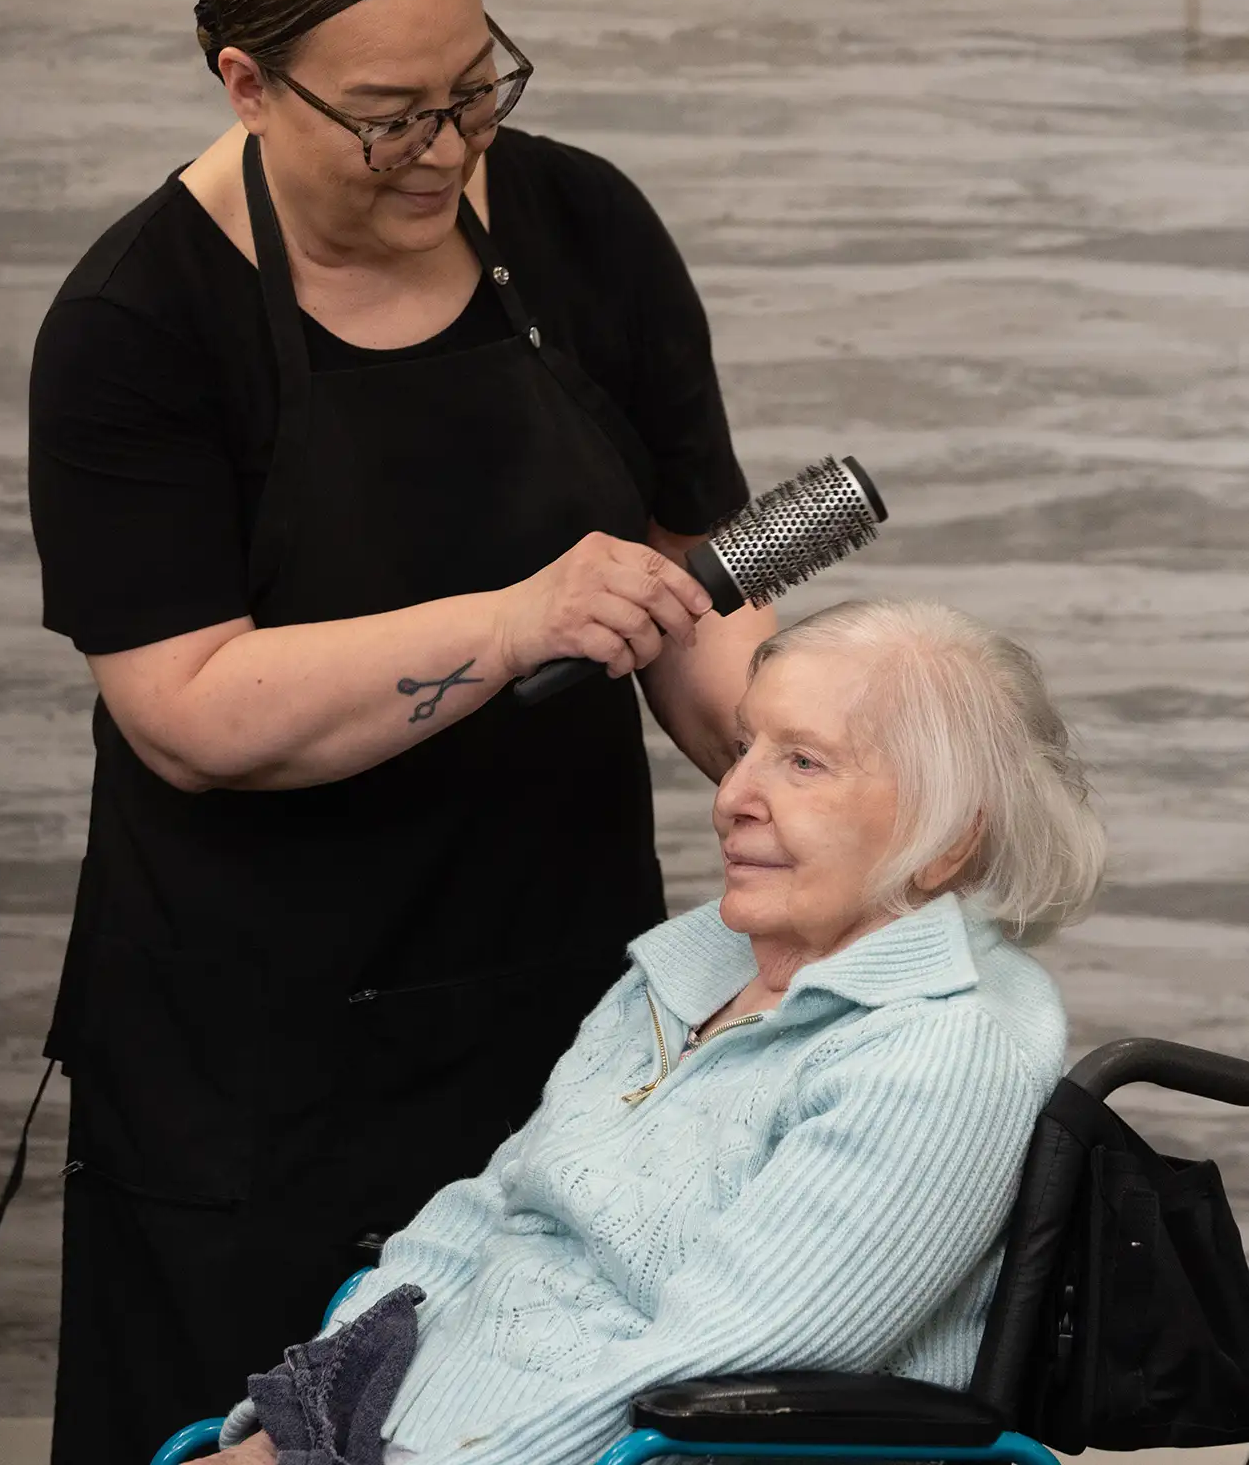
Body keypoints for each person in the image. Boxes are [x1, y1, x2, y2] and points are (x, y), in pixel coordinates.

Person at [26, 0, 775, 1465]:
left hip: (557, 1006)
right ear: (247, 81)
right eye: (390, 113)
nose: (446, 146)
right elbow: (191, 714)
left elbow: (691, 583)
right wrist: (515, 621)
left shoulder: (584, 226)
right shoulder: (138, 326)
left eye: (475, 85)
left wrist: (794, 758)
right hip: (251, 1053)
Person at [213, 598, 1106, 1465]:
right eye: (745, 747)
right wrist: (296, 1427)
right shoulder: (693, 970)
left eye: (803, 762)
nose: (735, 795)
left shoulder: (944, 1049)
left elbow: (734, 1352)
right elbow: (479, 1217)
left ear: (947, 840)